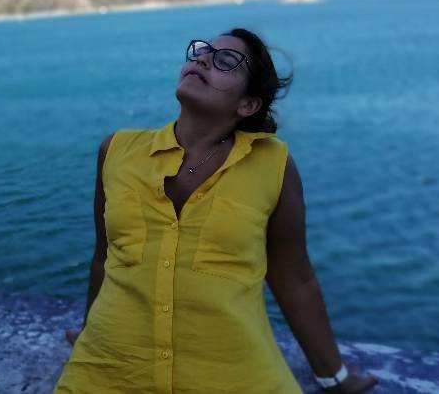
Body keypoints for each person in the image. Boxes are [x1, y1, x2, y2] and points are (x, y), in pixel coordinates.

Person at [54, 28, 380, 393]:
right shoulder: (117, 151)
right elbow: (105, 258)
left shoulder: (272, 165)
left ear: (248, 105)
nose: (203, 59)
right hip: (108, 373)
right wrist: (89, 332)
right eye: (201, 52)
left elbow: (295, 279)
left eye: (225, 60)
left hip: (234, 378)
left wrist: (335, 377)